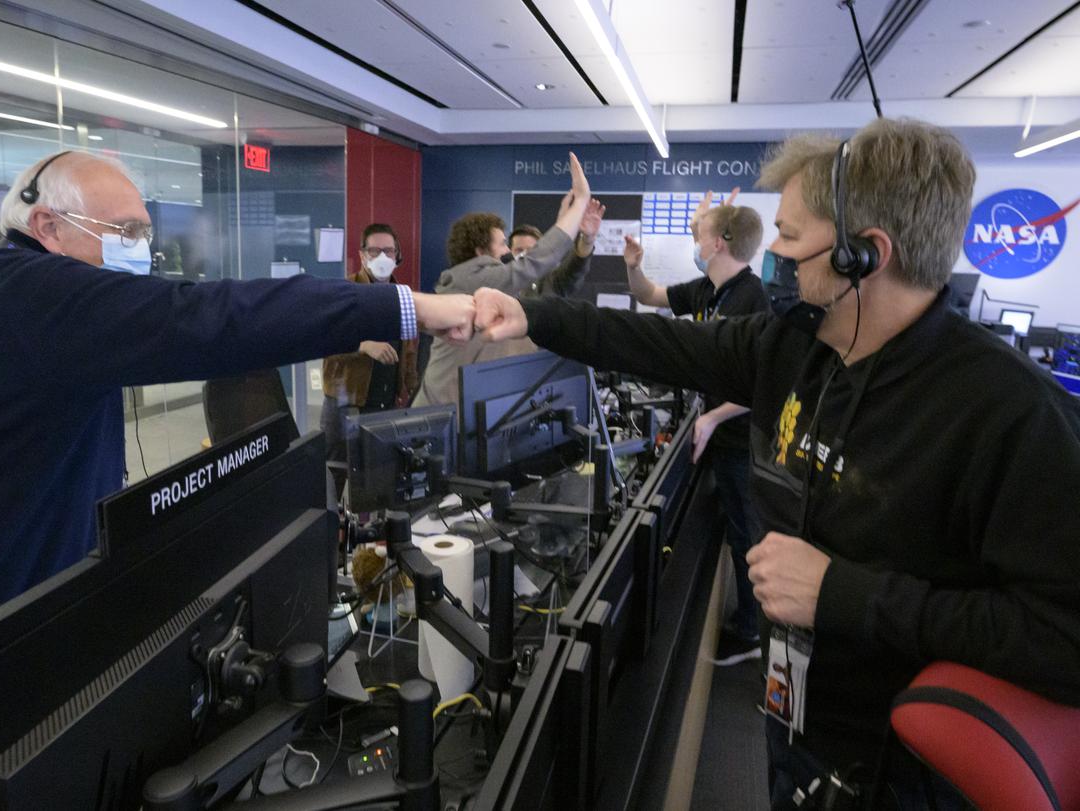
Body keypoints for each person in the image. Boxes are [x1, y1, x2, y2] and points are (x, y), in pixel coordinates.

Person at [472, 118, 1080, 807]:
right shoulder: (798, 347)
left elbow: (1064, 635)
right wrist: (528, 314)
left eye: (791, 237)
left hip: (905, 775)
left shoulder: (1012, 414)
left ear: (865, 255)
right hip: (795, 726)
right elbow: (648, 341)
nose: (778, 257)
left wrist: (840, 593)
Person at [0, 151, 475, 701]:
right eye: (123, 233)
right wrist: (406, 307)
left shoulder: (52, 322)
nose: (142, 252)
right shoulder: (6, 288)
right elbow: (208, 319)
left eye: (145, 233)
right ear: (46, 226)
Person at [626, 195, 771, 665]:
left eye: (698, 231)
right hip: (718, 434)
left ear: (717, 243)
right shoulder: (708, 288)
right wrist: (633, 265)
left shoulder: (753, 299)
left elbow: (762, 384)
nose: (693, 235)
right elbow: (648, 295)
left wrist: (710, 417)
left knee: (747, 535)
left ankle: (751, 634)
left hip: (740, 440)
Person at [414, 152, 600, 407]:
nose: (507, 252)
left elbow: (551, 269)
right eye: (502, 244)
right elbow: (535, 263)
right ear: (480, 251)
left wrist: (574, 230)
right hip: (445, 419)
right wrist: (579, 204)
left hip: (473, 416)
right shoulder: (469, 282)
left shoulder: (494, 284)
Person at [321, 223, 420, 496]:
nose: (382, 258)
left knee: (378, 484)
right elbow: (324, 340)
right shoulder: (344, 290)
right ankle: (331, 535)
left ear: (398, 256)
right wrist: (363, 345)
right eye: (375, 251)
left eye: (388, 251)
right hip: (346, 405)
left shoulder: (403, 296)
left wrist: (407, 389)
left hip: (385, 405)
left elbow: (409, 350)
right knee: (332, 481)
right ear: (362, 255)